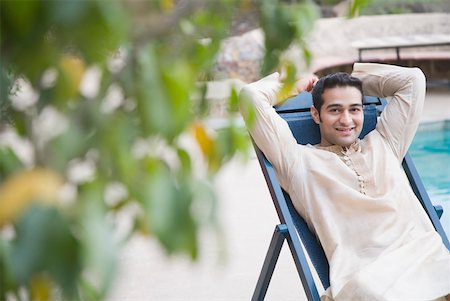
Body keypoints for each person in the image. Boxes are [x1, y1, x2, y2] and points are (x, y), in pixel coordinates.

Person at [239, 63, 450, 301]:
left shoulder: (385, 143)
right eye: (335, 110)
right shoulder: (298, 162)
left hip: (426, 260)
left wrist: (351, 79)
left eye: (355, 109)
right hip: (367, 277)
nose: (346, 120)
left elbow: (412, 80)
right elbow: (250, 97)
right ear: (316, 114)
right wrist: (296, 86)